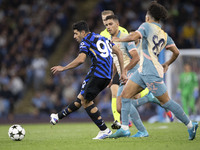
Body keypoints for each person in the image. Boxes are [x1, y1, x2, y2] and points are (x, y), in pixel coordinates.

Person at [111, 1, 198, 140]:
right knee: (125, 95)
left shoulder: (146, 26)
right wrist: (167, 64)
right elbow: (176, 52)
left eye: (146, 14)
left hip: (150, 71)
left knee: (166, 102)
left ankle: (190, 124)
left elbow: (134, 36)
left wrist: (119, 39)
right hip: (143, 70)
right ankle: (125, 129)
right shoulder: (164, 34)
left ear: (148, 17)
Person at [50, 20, 127, 140]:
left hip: (97, 74)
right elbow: (119, 52)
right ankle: (57, 117)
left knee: (85, 102)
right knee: (80, 99)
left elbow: (81, 59)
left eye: (76, 34)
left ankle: (104, 130)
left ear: (83, 32)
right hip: (106, 76)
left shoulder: (86, 41)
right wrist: (121, 73)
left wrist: (64, 68)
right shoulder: (102, 38)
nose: (75, 37)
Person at [104, 15, 149, 137]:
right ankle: (149, 99)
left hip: (131, 74)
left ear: (117, 24)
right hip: (122, 75)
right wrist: (111, 77)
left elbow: (136, 58)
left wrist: (125, 71)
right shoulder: (110, 40)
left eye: (110, 24)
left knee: (124, 103)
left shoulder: (125, 39)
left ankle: (133, 130)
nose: (108, 27)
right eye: (106, 25)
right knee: (120, 107)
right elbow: (115, 61)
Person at [100, 10, 130, 128]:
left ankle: (150, 97)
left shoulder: (122, 31)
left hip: (125, 66)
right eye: (104, 21)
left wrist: (125, 69)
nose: (106, 23)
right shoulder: (102, 34)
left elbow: (128, 50)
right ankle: (118, 121)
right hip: (112, 66)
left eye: (108, 20)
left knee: (132, 95)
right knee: (114, 93)